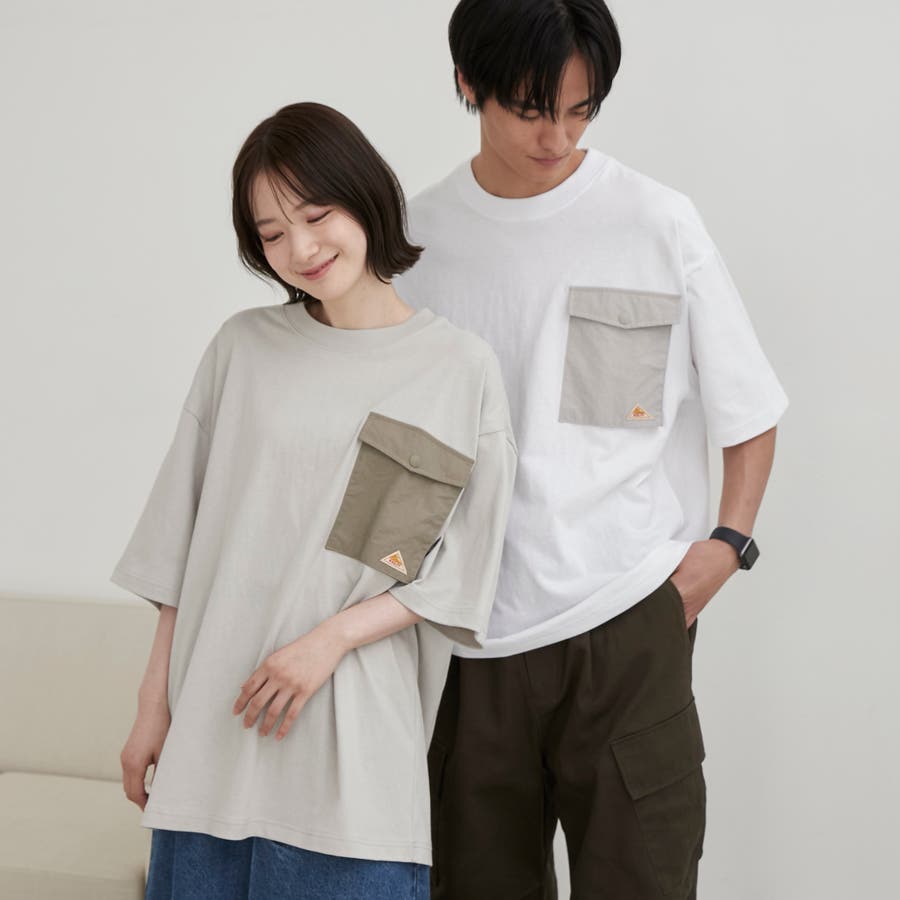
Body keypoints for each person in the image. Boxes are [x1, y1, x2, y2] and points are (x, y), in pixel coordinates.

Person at [395, 2, 789, 898]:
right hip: (470, 642)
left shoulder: (654, 221)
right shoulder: (417, 242)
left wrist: (726, 547)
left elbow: (750, 407)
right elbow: (399, 449)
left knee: (645, 881)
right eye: (532, 110)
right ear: (468, 83)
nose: (557, 137)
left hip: (627, 623)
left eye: (581, 111)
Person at [113, 101, 517, 900]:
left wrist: (329, 640)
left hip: (353, 768)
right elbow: (177, 551)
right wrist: (151, 704)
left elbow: (459, 573)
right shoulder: (242, 349)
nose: (300, 248)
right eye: (271, 232)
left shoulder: (455, 370)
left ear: (365, 199)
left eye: (316, 214)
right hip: (211, 746)